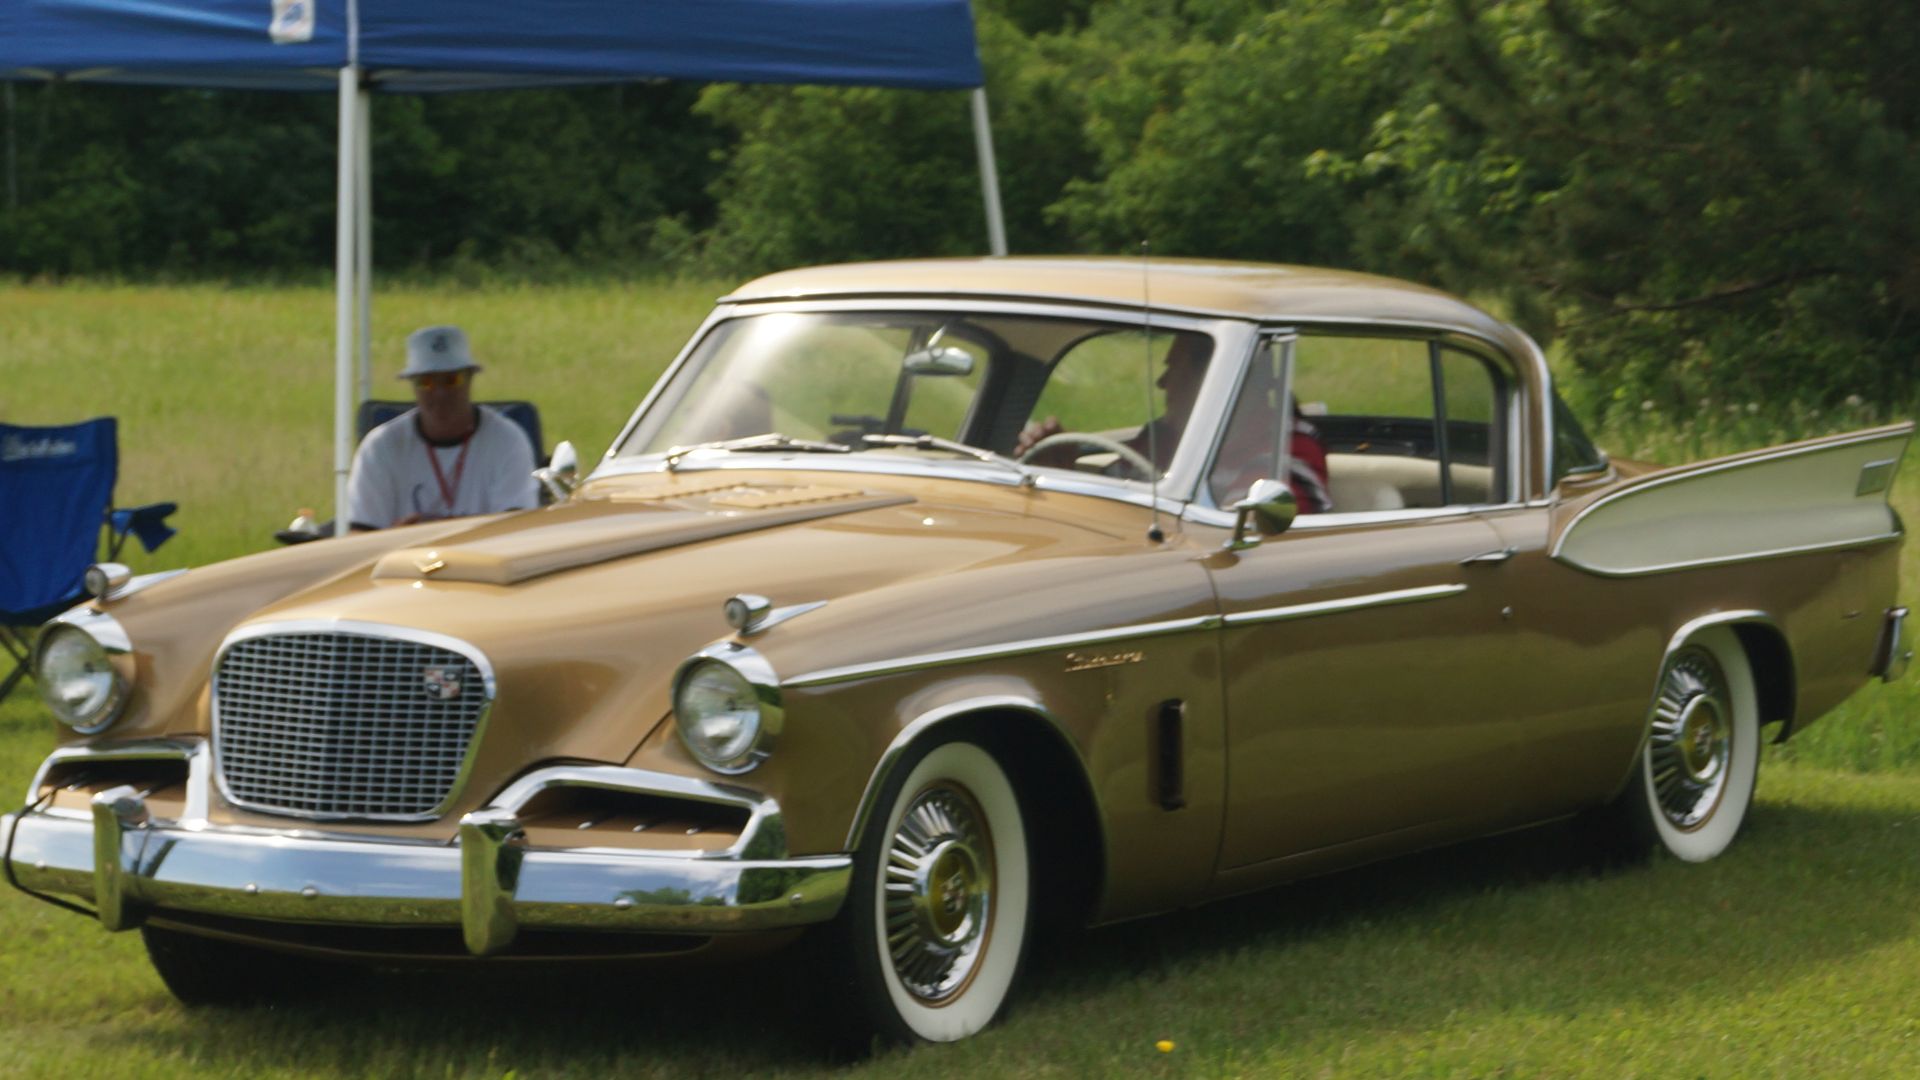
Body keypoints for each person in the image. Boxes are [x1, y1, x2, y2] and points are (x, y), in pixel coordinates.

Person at [346, 325, 539, 530]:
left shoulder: (507, 440)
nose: (440, 393)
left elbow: (516, 531)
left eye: (451, 380)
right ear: (412, 385)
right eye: (426, 382)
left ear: (470, 379)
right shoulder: (379, 447)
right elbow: (360, 534)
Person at [1013, 332, 1211, 475]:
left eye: (1173, 366)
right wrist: (1062, 467)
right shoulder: (1158, 438)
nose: (1162, 382)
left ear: (1209, 379)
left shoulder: (1233, 476)